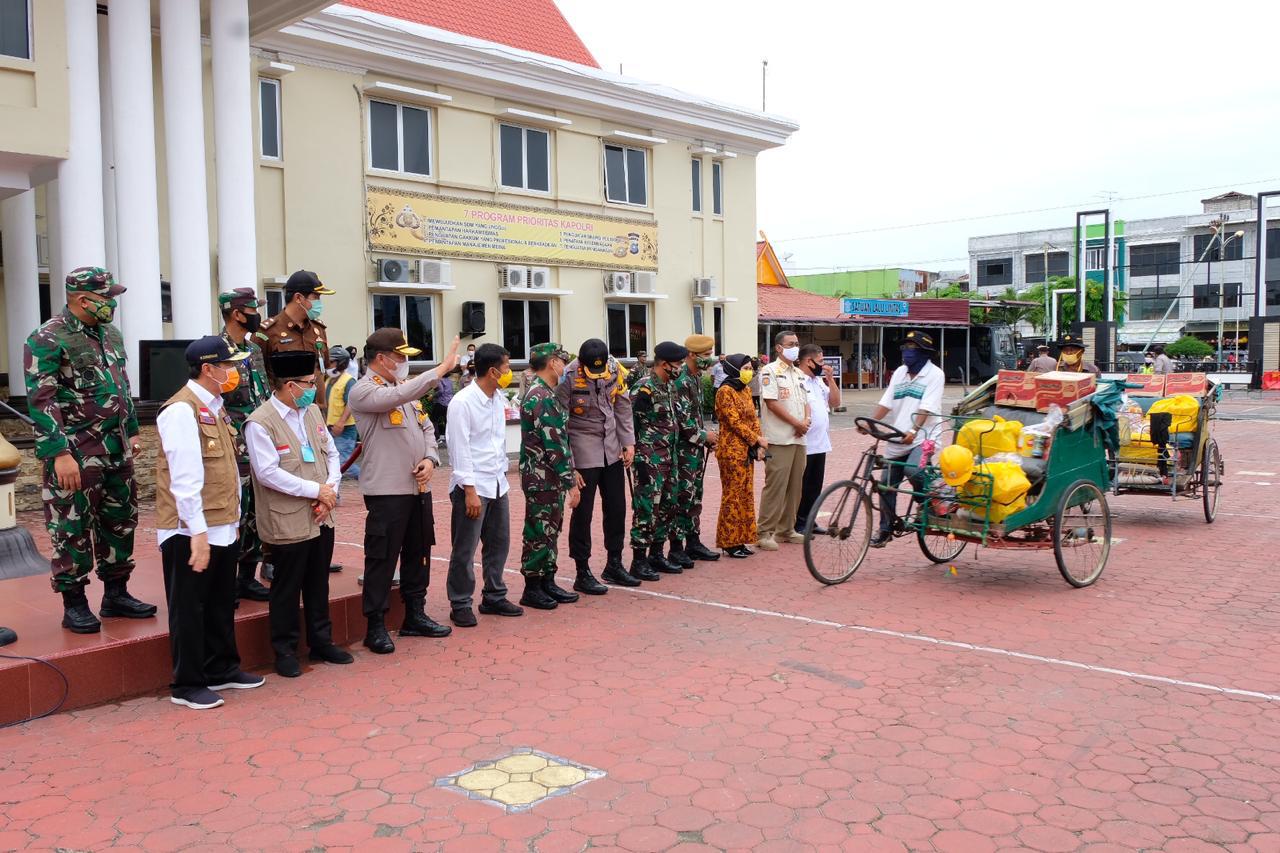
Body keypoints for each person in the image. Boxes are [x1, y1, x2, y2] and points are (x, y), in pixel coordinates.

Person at [24, 266, 153, 634]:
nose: (112, 303)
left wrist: (131, 431)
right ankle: (75, 603)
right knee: (72, 527)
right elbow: (42, 400)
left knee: (120, 521)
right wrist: (59, 453)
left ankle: (116, 593)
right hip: (77, 453)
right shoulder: (47, 338)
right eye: (106, 297)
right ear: (83, 299)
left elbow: (122, 386)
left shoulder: (110, 334)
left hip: (116, 449)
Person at [155, 336, 265, 709]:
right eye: (229, 365)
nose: (235, 372)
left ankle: (222, 668)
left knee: (220, 602)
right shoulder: (180, 411)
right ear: (208, 369)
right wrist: (197, 532)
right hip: (190, 529)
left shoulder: (214, 407)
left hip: (222, 523)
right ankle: (187, 684)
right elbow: (184, 477)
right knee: (189, 607)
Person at [348, 329, 460, 652]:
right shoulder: (364, 390)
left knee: (418, 552)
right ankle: (376, 625)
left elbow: (426, 426)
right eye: (400, 356)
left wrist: (430, 458)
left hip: (418, 488)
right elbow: (396, 397)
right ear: (381, 359)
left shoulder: (403, 389)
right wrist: (440, 370)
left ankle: (415, 614)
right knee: (382, 558)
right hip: (387, 491)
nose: (403, 362)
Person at [246, 350, 352, 677]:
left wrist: (329, 490)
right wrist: (315, 491)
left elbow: (331, 454)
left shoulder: (312, 412)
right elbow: (267, 473)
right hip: (287, 518)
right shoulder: (260, 422)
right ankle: (285, 650)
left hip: (321, 514)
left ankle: (321, 642)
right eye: (308, 383)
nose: (313, 388)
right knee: (287, 587)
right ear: (290, 385)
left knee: (318, 582)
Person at [446, 343, 522, 626]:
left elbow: (496, 442)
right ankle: (460, 602)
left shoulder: (498, 398)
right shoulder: (463, 402)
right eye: (506, 366)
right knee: (464, 549)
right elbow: (459, 448)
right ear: (492, 371)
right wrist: (469, 490)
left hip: (497, 482)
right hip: (473, 486)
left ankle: (494, 595)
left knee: (498, 544)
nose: (509, 371)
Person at [557, 339, 633, 591]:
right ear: (581, 363)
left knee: (617, 508)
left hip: (611, 446)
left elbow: (622, 405)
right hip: (582, 447)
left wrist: (628, 442)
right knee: (583, 512)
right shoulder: (568, 377)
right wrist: (570, 465)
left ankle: (614, 563)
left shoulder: (615, 368)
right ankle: (582, 571)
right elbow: (560, 422)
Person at [217, 288, 272, 603]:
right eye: (253, 309)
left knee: (255, 512)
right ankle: (225, 582)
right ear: (237, 314)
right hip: (232, 445)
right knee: (234, 512)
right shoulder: (215, 352)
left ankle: (247, 577)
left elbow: (262, 394)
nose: (257, 315)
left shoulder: (253, 350)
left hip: (258, 443)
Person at [867, 331, 945, 548]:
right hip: (898, 437)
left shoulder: (935, 374)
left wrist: (914, 429)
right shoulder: (900, 372)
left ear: (924, 352)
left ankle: (928, 503)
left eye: (912, 348)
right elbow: (886, 403)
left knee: (913, 470)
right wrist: (869, 423)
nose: (906, 352)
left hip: (924, 437)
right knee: (886, 485)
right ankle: (885, 530)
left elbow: (926, 408)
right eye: (904, 347)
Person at [518, 343, 581, 610]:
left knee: (550, 529)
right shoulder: (541, 396)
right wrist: (570, 482)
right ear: (553, 363)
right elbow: (554, 445)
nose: (565, 367)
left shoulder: (545, 393)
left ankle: (547, 580)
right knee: (539, 532)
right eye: (563, 362)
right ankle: (532, 587)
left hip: (548, 476)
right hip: (541, 477)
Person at [629, 341, 687, 579]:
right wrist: (637, 457)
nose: (680, 368)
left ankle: (656, 554)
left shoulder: (669, 386)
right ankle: (638, 560)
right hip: (649, 459)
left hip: (669, 457)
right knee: (646, 509)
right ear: (664, 364)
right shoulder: (644, 388)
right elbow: (631, 425)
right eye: (678, 364)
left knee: (667, 507)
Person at [755, 330, 810, 551]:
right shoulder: (770, 371)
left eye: (797, 343)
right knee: (775, 486)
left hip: (798, 438)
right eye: (790, 344)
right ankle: (764, 532)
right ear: (779, 348)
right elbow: (772, 403)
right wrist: (797, 423)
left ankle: (786, 529)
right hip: (779, 438)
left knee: (795, 487)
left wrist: (805, 421)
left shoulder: (798, 373)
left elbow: (805, 401)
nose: (795, 347)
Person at [670, 334, 720, 567]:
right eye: (706, 355)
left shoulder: (696, 377)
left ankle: (693, 541)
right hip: (682, 450)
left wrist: (707, 437)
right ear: (691, 354)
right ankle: (676, 547)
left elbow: (695, 416)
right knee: (682, 496)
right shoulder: (680, 380)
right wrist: (704, 436)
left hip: (695, 449)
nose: (710, 359)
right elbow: (681, 420)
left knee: (695, 495)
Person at [255, 270, 334, 411]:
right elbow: (259, 378)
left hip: (315, 411)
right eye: (315, 297)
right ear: (298, 298)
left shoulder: (318, 330)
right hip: (283, 411)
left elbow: (322, 369)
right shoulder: (267, 333)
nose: (319, 302)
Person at [715, 355, 767, 558]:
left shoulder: (745, 389)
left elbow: (753, 418)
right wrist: (757, 439)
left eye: (750, 368)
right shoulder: (725, 391)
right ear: (733, 369)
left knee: (745, 495)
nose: (749, 371)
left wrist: (758, 443)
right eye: (744, 368)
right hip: (731, 451)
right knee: (732, 496)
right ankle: (729, 541)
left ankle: (742, 539)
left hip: (746, 450)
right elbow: (734, 422)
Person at [795, 344, 840, 535]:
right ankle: (798, 522)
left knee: (815, 486)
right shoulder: (797, 379)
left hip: (820, 443)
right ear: (808, 361)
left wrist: (830, 380)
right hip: (804, 443)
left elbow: (836, 403)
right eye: (820, 361)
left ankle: (810, 520)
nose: (823, 365)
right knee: (802, 487)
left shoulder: (818, 381)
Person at [325, 345, 360, 479]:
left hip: (345, 429)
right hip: (330, 427)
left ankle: (367, 479)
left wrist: (341, 422)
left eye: (331, 362)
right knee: (331, 463)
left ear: (340, 363)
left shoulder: (349, 381)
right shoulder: (329, 380)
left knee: (342, 464)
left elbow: (351, 403)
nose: (328, 365)